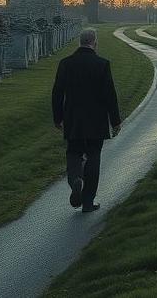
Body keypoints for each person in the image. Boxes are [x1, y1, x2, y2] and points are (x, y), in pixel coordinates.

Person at [51, 26, 122, 213]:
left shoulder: (65, 63)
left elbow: (57, 92)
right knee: (93, 156)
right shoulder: (102, 64)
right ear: (94, 43)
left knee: (73, 153)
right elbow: (110, 95)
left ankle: (75, 180)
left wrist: (57, 117)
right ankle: (88, 202)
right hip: (96, 120)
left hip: (73, 118)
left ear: (80, 42)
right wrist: (115, 121)